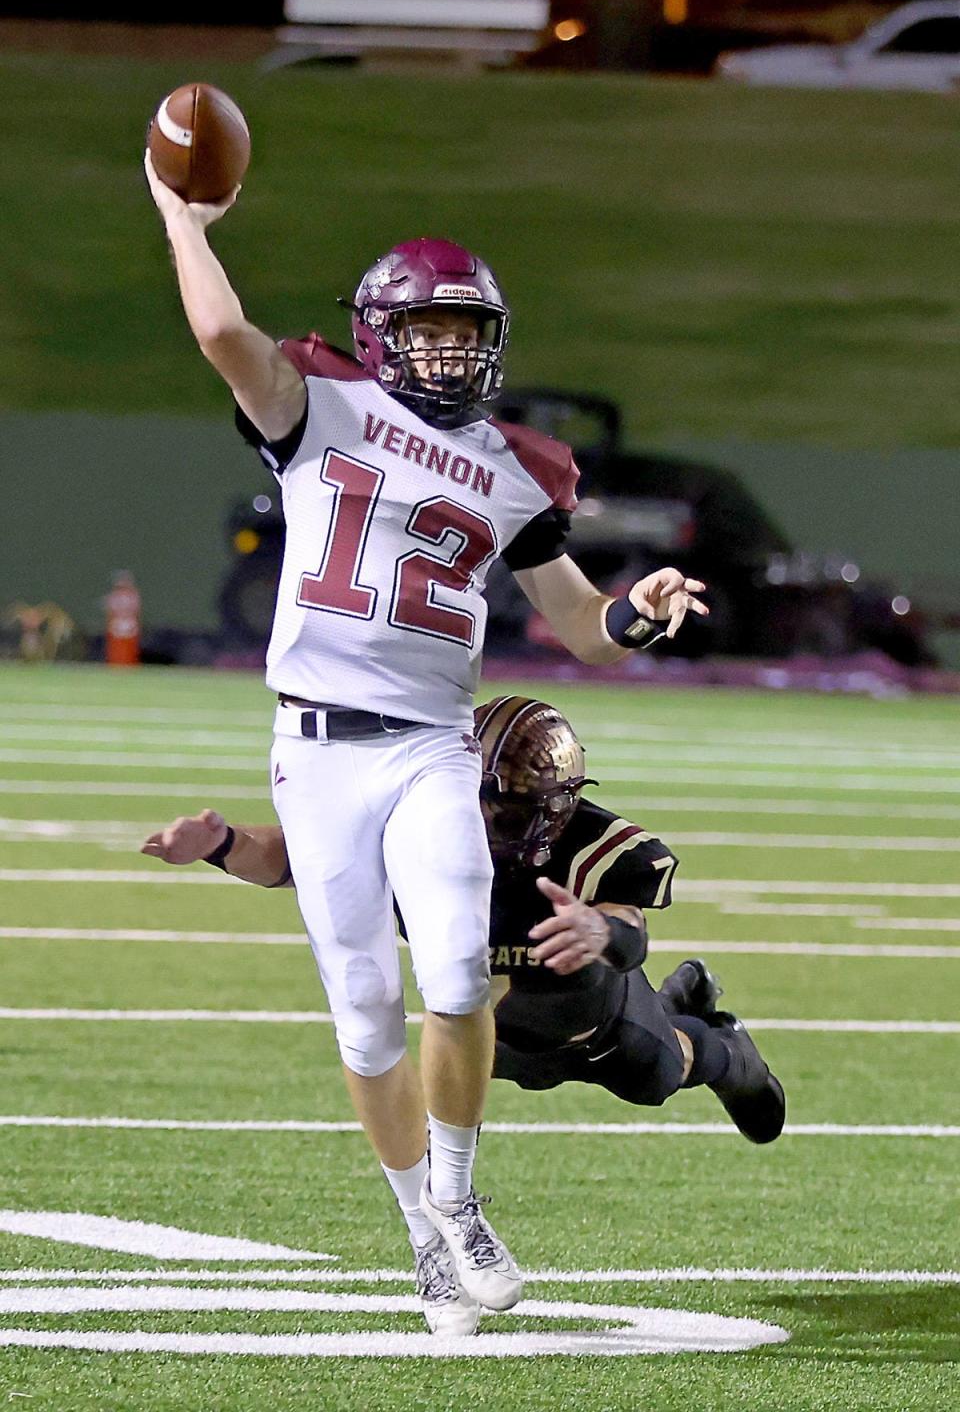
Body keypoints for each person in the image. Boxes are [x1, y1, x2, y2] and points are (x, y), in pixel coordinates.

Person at [144, 154, 709, 1336]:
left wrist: (639, 613)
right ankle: (422, 1233)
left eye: (468, 330)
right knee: (365, 1011)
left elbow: (577, 624)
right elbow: (217, 331)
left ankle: (460, 1201)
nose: (451, 351)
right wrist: (179, 216)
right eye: (431, 328)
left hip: (431, 745)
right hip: (317, 750)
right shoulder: (317, 399)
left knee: (454, 969)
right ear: (380, 335)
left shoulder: (520, 464)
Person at [144, 695, 784, 1139]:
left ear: (559, 808)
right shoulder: (416, 827)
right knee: (434, 1111)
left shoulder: (594, 849)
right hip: (486, 1038)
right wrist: (223, 846)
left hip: (597, 1024)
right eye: (475, 801)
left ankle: (725, 1045)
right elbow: (295, 857)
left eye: (506, 809)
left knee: (661, 1076)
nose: (485, 823)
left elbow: (630, 930)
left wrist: (599, 930)